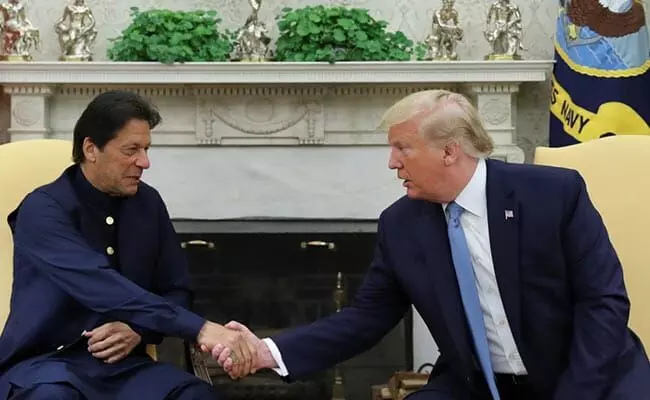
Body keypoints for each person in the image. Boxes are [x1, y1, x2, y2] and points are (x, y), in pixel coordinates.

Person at [212, 89, 650, 399]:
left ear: (449, 152)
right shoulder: (401, 224)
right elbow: (366, 318)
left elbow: (603, 302)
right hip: (478, 385)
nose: (392, 163)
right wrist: (267, 351)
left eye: (402, 148)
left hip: (586, 375)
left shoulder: (552, 195)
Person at [0, 90, 254, 399]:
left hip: (125, 369)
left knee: (195, 395)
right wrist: (201, 329)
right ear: (91, 149)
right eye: (131, 149)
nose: (144, 162)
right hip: (45, 364)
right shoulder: (42, 209)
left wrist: (139, 329)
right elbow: (100, 284)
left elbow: (177, 289)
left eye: (146, 149)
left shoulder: (148, 203)